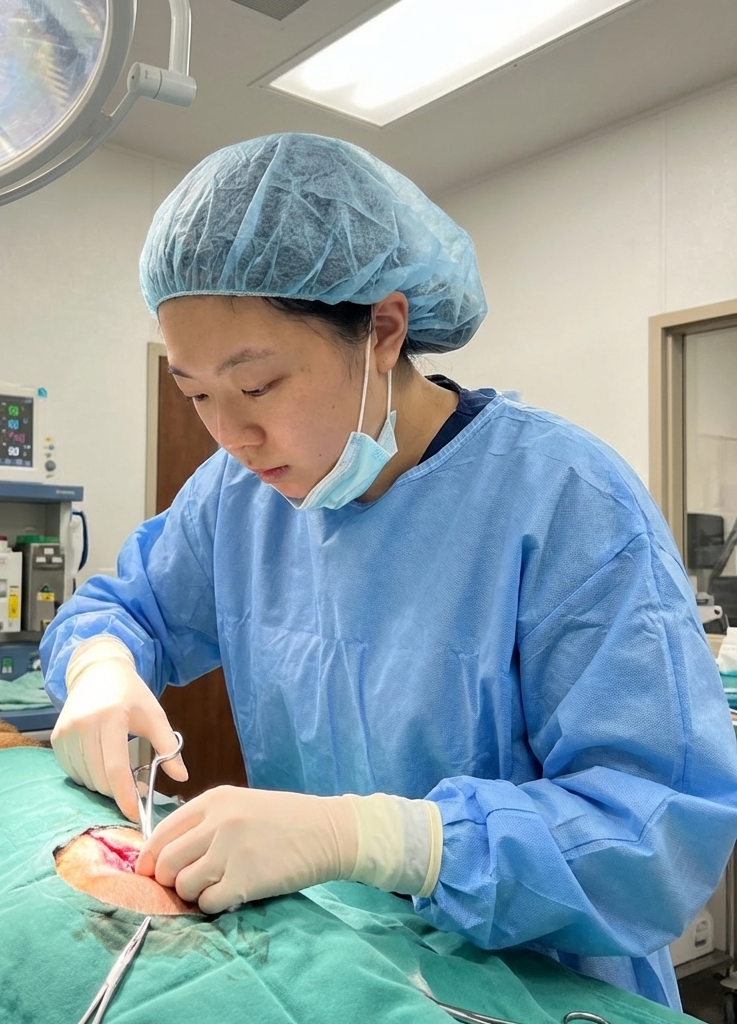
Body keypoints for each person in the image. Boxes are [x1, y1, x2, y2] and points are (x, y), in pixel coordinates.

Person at [39, 132, 737, 1010]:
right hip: (326, 972)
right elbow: (126, 605)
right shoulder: (235, 498)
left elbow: (655, 831)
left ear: (383, 330)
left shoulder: (563, 497)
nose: (230, 436)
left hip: (537, 992)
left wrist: (382, 840)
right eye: (195, 395)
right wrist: (97, 666)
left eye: (256, 388)